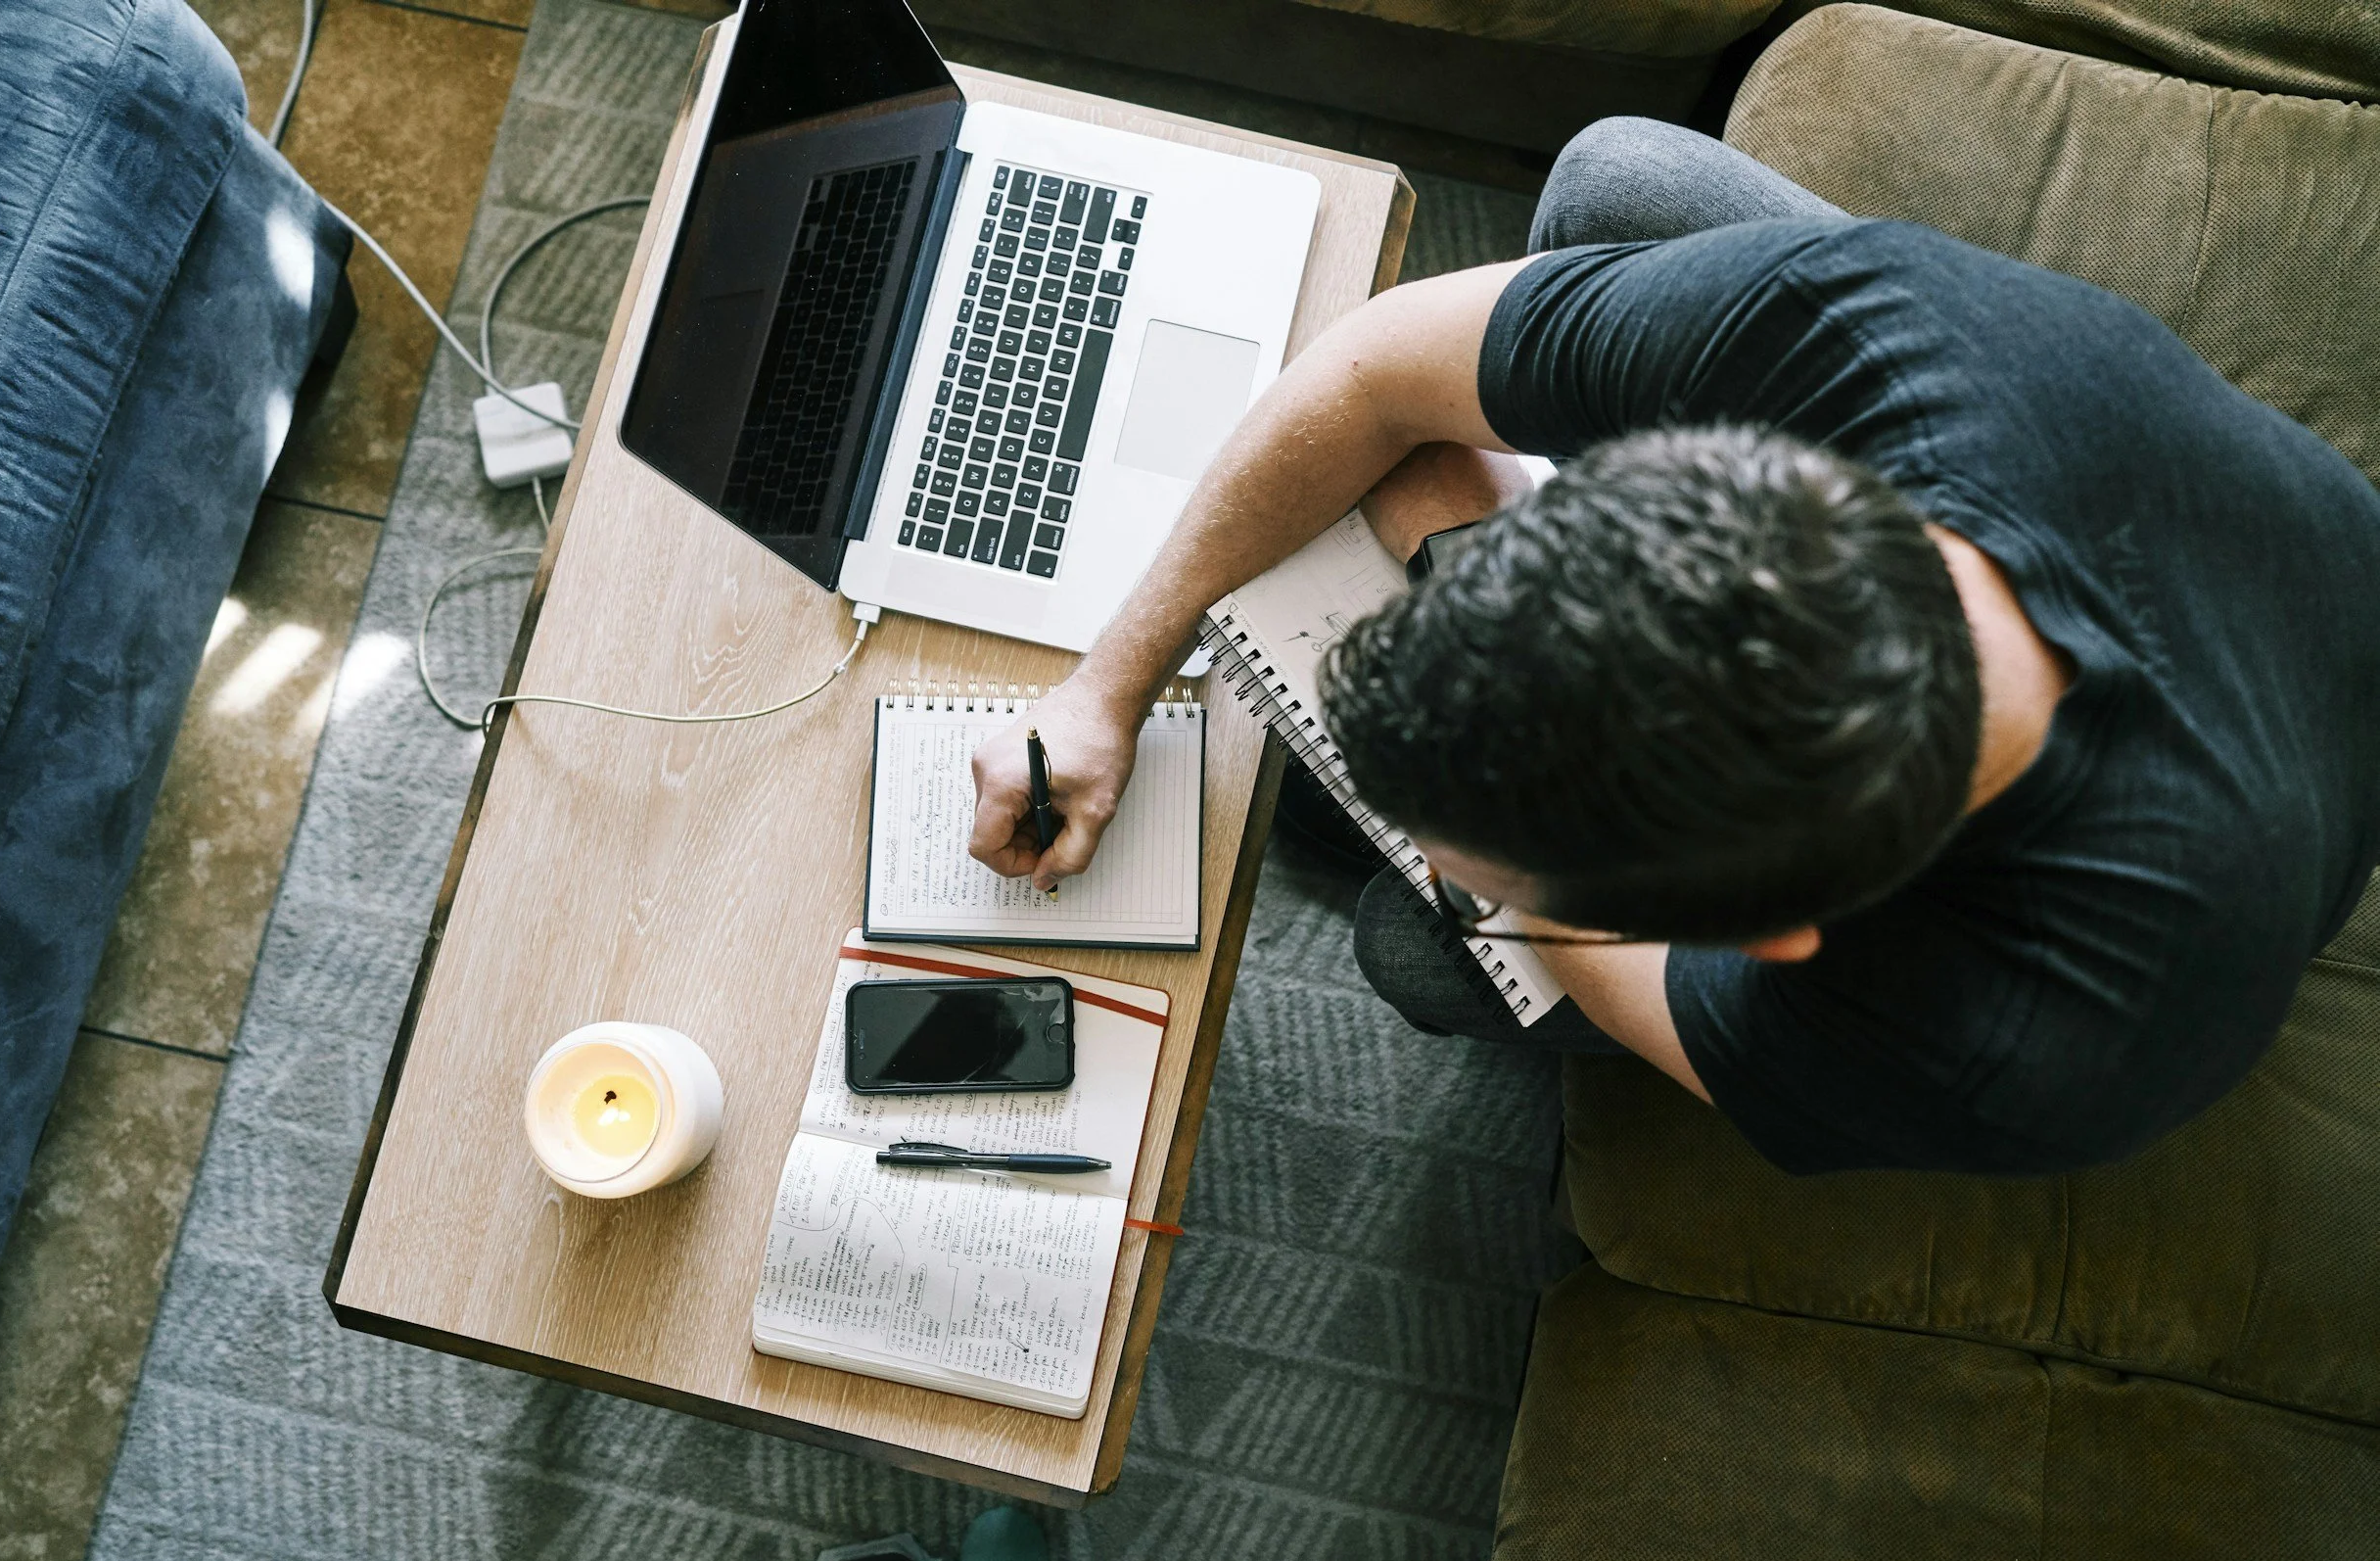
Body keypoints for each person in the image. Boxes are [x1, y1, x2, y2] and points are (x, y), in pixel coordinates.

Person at [965, 118, 2380, 1177]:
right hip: (2260, 575)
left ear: (1769, 938)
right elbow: (1375, 365)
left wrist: (1492, 899)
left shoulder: (2011, 1043)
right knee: (1616, 181)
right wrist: (1109, 683)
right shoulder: (1877, 333)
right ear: (1709, 468)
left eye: (1509, 880)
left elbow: (1655, 1001)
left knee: (1419, 947)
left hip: (2273, 841)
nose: (1465, 872)